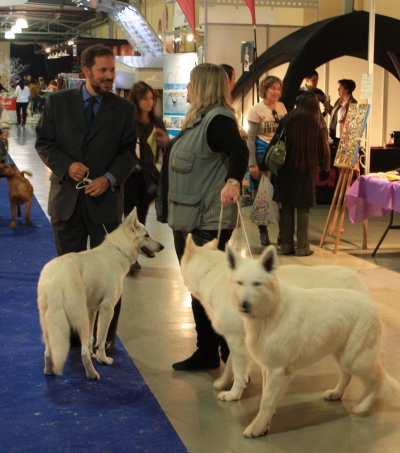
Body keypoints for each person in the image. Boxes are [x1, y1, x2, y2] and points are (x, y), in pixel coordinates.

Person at [35, 44, 139, 352]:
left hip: (105, 206)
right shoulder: (57, 103)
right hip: (66, 204)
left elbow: (127, 154)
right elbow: (44, 143)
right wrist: (67, 166)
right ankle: (74, 336)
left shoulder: (124, 110)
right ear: (86, 72)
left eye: (112, 71)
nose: (110, 77)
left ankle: (105, 340)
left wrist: (108, 180)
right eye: (103, 71)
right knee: (70, 277)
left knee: (111, 279)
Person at [156, 63, 248, 371]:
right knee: (200, 290)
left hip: (207, 220)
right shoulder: (201, 120)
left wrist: (233, 181)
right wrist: (167, 147)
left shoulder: (218, 120)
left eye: (191, 84)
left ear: (204, 87)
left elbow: (239, 150)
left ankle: (228, 352)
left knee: (211, 291)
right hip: (190, 218)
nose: (186, 90)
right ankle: (212, 351)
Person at [268, 92, 330, 256]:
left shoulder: (287, 120)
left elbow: (275, 142)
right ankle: (302, 247)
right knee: (303, 209)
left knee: (287, 207)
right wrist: (325, 165)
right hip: (306, 170)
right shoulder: (318, 123)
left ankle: (287, 245)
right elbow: (324, 150)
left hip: (286, 169)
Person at [124, 81, 167, 271]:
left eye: (151, 98)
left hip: (149, 172)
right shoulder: (128, 119)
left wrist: (163, 141)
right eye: (145, 98)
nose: (149, 102)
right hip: (129, 173)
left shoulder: (157, 121)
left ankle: (134, 253)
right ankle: (130, 256)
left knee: (141, 214)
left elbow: (163, 147)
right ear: (136, 100)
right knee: (130, 215)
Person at [247, 75, 287, 246]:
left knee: (280, 194)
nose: (276, 91)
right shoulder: (256, 110)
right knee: (262, 194)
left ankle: (282, 232)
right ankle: (263, 232)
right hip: (262, 153)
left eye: (279, 88)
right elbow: (250, 139)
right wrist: (252, 163)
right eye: (273, 88)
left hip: (278, 154)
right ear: (265, 89)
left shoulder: (282, 107)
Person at [325, 79, 357, 146]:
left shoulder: (353, 103)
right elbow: (334, 115)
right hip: (334, 134)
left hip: (343, 137)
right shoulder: (339, 100)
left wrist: (346, 119)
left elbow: (353, 120)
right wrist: (328, 106)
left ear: (347, 89)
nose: (338, 89)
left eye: (340, 87)